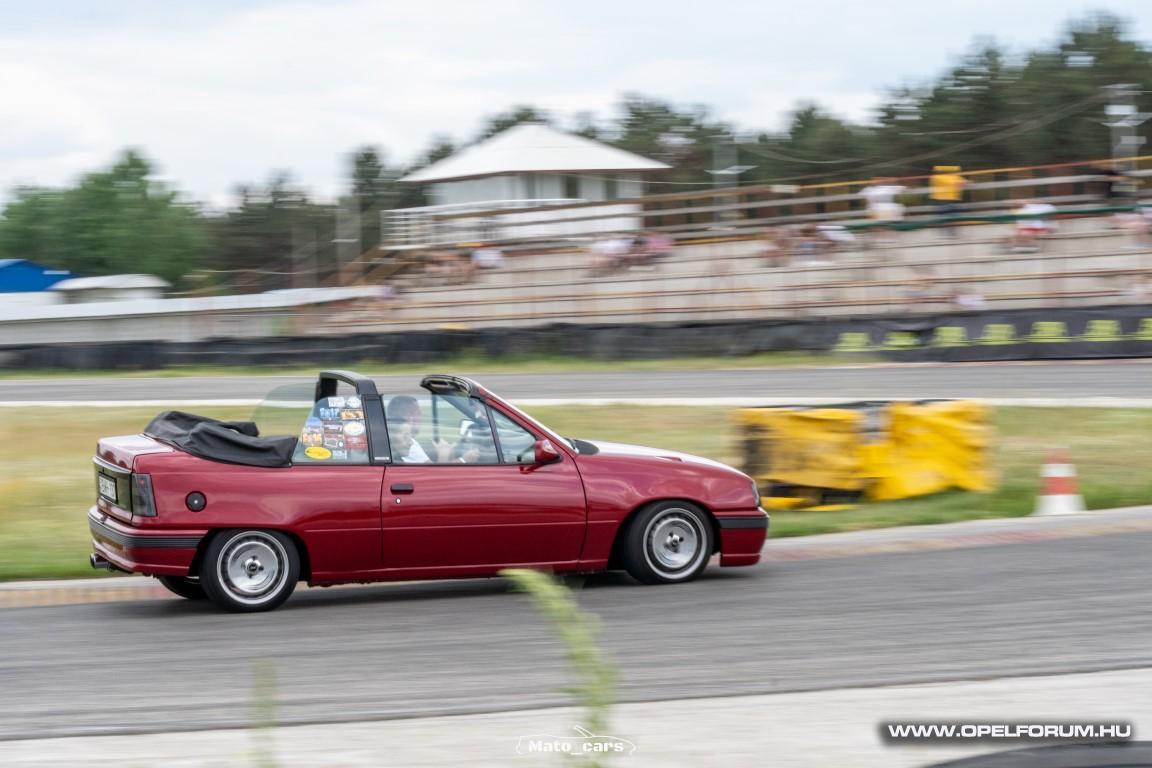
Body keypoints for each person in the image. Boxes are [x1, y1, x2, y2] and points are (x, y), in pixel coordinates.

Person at [859, 177, 906, 243]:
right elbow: (862, 198)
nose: (877, 182)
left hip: (881, 209)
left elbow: (903, 189)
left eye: (878, 180)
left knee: (882, 222)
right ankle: (879, 237)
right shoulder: (869, 189)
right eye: (875, 180)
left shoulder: (887, 188)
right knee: (877, 222)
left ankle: (883, 237)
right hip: (875, 209)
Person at [930, 165, 966, 238]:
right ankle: (943, 234)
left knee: (954, 217)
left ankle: (952, 233)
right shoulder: (937, 177)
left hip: (954, 199)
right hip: (941, 200)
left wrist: (962, 182)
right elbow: (955, 183)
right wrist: (960, 182)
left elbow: (963, 182)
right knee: (944, 217)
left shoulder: (955, 177)